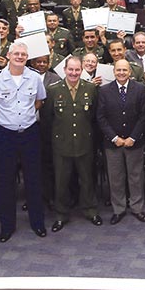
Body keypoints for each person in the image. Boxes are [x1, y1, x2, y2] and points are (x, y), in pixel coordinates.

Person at [0, 41, 48, 242]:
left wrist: (22, 119)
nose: (20, 57)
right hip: (5, 135)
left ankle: (38, 223)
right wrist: (3, 121)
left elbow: (39, 102)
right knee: (5, 181)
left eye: (23, 54)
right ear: (8, 55)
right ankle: (7, 225)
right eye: (16, 53)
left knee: (34, 179)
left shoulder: (35, 78)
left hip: (29, 133)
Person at [46, 56, 102, 232]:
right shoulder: (53, 90)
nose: (74, 73)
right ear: (64, 70)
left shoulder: (91, 88)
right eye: (70, 69)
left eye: (77, 70)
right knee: (61, 181)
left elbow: (94, 117)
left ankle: (90, 210)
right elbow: (48, 120)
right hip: (61, 145)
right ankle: (61, 214)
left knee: (87, 180)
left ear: (82, 71)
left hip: (85, 143)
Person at [97, 59, 145, 225]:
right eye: (118, 70)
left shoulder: (140, 89)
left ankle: (137, 208)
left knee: (135, 177)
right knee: (116, 178)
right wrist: (115, 138)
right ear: (114, 72)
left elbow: (144, 116)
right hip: (113, 143)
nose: (121, 73)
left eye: (124, 70)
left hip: (134, 142)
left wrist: (132, 137)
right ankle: (118, 209)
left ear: (130, 72)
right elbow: (101, 117)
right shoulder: (104, 91)